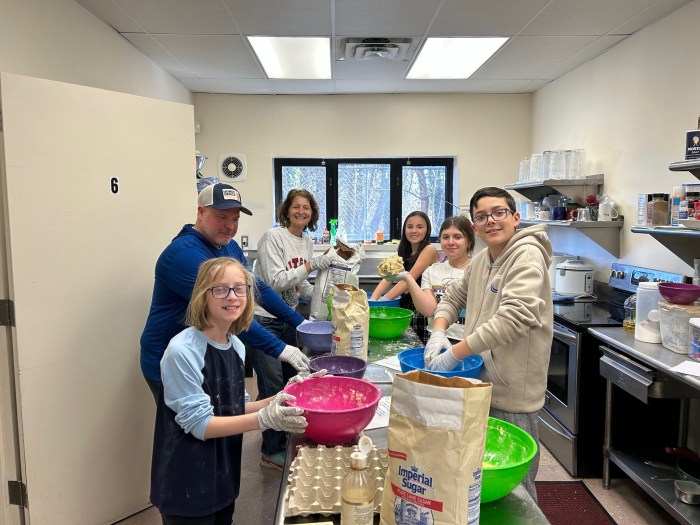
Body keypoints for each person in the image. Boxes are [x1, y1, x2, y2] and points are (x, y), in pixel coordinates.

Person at [150, 257, 310, 524]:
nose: (232, 296)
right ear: (203, 295)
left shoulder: (235, 345)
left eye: (240, 288)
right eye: (220, 289)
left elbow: (233, 407)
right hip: (187, 482)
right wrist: (264, 419)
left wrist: (281, 397)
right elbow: (200, 425)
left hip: (221, 474)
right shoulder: (183, 351)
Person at [425, 187, 552, 502]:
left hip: (512, 393)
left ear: (515, 217)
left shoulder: (527, 255)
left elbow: (514, 318)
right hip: (482, 380)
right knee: (481, 475)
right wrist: (439, 330)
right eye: (481, 216)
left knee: (514, 489)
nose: (491, 221)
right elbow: (454, 297)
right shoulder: (483, 259)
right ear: (475, 226)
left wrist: (456, 351)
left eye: (499, 212)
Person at [140, 183, 310, 406]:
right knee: (191, 434)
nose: (230, 226)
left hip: (207, 353)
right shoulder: (184, 255)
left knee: (221, 427)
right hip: (174, 361)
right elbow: (229, 314)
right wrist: (280, 348)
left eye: (235, 219)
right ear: (201, 212)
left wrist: (302, 324)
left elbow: (258, 288)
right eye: (222, 217)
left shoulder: (228, 247)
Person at [249, 188, 332, 470]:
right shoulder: (273, 237)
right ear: (286, 210)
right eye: (296, 207)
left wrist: (325, 296)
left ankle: (284, 439)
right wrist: (310, 265)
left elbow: (299, 286)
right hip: (263, 321)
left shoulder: (306, 241)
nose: (301, 212)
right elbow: (274, 282)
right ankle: (270, 451)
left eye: (306, 208)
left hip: (287, 319)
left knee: (290, 382)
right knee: (271, 384)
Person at [393, 215, 475, 343]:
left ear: (469, 241)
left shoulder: (479, 269)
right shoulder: (432, 271)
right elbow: (429, 310)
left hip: (467, 340)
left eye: (457, 237)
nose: (450, 242)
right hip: (435, 337)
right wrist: (408, 278)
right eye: (445, 237)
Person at [369, 211, 438, 342]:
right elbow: (389, 276)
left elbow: (408, 279)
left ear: (427, 229)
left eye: (420, 227)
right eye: (410, 226)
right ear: (404, 229)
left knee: (418, 345)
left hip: (422, 309)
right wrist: (373, 299)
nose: (414, 231)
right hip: (405, 306)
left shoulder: (429, 250)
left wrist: (384, 300)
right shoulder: (404, 250)